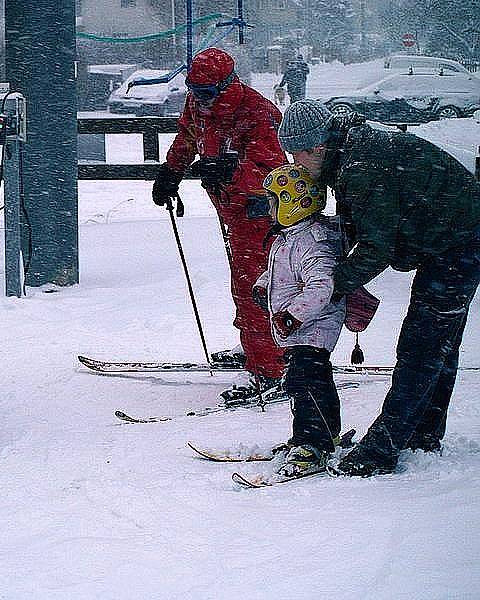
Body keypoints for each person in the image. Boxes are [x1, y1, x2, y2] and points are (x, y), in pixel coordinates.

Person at [277, 99, 480, 476]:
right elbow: (366, 221)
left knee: (422, 345)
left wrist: (333, 287)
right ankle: (423, 434)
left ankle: (383, 448)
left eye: (295, 154)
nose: (294, 164)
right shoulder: (350, 152)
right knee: (439, 343)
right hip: (453, 235)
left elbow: (376, 246)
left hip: (458, 242)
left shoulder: (360, 166)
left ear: (315, 147)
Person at [152, 47, 287, 401]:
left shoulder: (258, 112)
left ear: (226, 85)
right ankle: (257, 349)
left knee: (256, 289)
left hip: (260, 215)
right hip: (229, 210)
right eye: (193, 90)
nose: (199, 99)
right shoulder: (200, 105)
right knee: (243, 284)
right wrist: (171, 172)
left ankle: (271, 368)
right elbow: (187, 137)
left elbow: (276, 174)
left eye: (207, 92)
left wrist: (232, 169)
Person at [254, 164, 346, 477]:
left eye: (273, 201)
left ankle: (313, 443)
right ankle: (319, 435)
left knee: (306, 385)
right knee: (312, 383)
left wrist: (293, 316)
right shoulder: (292, 236)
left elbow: (322, 285)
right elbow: (285, 271)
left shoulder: (312, 242)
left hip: (313, 328)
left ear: (293, 204)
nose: (269, 208)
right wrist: (264, 284)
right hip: (302, 330)